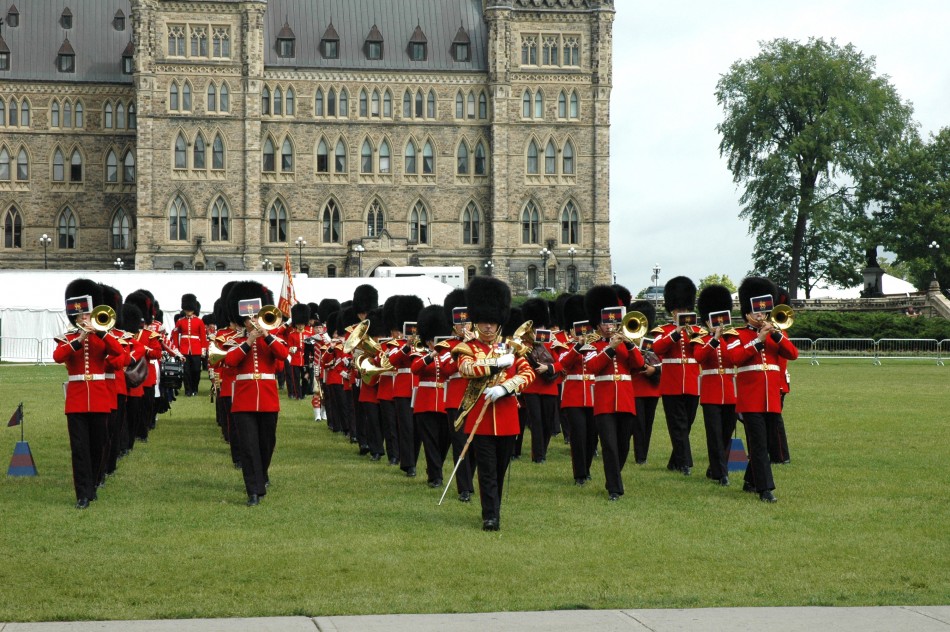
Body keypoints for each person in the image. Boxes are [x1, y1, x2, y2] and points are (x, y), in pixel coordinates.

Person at [453, 277, 535, 531]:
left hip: (508, 417)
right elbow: (466, 369)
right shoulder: (467, 347)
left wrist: (506, 387)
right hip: (481, 418)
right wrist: (496, 364)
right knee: (487, 469)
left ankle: (494, 507)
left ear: (499, 323)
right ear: (476, 323)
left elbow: (528, 374)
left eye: (492, 322)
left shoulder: (510, 348)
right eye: (483, 323)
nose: (488, 327)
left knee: (500, 469)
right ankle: (491, 515)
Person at [54, 279, 129, 509]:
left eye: (88, 315)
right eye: (81, 316)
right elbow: (58, 356)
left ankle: (94, 483)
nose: (85, 319)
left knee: (98, 446)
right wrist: (79, 339)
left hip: (99, 399)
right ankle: (82, 494)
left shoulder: (101, 337)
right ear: (75, 318)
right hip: (76, 401)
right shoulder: (68, 338)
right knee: (79, 449)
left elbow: (118, 352)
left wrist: (102, 333)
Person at [727, 277, 799, 503]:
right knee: (757, 444)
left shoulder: (776, 333)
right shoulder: (736, 335)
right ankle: (765, 489)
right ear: (747, 312)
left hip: (771, 398)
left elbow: (793, 354)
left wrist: (775, 334)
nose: (761, 316)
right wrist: (758, 339)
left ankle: (750, 481)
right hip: (750, 400)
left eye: (763, 313)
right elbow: (735, 358)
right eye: (756, 313)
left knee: (766, 444)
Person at [222, 281, 288, 506]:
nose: (252, 321)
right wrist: (249, 340)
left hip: (268, 399)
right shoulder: (236, 341)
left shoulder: (273, 339)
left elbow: (282, 354)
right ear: (244, 319)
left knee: (266, 443)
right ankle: (254, 490)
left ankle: (262, 474)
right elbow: (230, 362)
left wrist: (266, 335)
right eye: (249, 318)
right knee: (248, 447)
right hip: (244, 400)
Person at [575, 285, 644, 501]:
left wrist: (630, 345)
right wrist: (611, 348)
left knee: (623, 445)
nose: (610, 326)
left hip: (625, 399)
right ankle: (615, 488)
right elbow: (593, 367)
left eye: (613, 322)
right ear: (598, 323)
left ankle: (612, 478)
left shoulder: (627, 343)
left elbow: (639, 364)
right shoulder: (591, 345)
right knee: (610, 446)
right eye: (606, 322)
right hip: (604, 401)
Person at [652, 276, 701, 476]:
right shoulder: (663, 330)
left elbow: (701, 354)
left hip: (692, 382)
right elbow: (658, 348)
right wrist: (676, 333)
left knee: (686, 423)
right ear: (672, 311)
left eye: (685, 309)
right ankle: (685, 464)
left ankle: (675, 461)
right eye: (679, 310)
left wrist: (691, 335)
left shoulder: (697, 330)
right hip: (671, 382)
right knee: (677, 424)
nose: (683, 313)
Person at [693, 284, 739, 487]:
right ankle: (721, 473)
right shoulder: (700, 339)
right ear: (706, 322)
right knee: (714, 435)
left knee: (726, 433)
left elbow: (736, 359)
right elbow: (699, 358)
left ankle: (714, 468)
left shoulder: (732, 339)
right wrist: (714, 340)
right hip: (711, 391)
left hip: (729, 390)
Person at [556, 295, 597, 486]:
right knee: (578, 436)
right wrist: (579, 345)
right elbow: (563, 363)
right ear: (571, 331)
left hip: (594, 395)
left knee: (591, 437)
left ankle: (587, 468)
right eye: (577, 329)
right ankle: (579, 473)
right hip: (573, 396)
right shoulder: (567, 347)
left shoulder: (596, 347)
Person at [411, 304, 454, 488]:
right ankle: (436, 476)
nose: (431, 342)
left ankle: (435, 468)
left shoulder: (450, 354)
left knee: (444, 441)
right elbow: (415, 369)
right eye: (429, 340)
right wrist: (432, 354)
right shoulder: (421, 353)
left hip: (444, 401)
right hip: (425, 402)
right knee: (430, 441)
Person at [441, 289, 476, 502]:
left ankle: (469, 479)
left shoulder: (480, 344)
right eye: (460, 325)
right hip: (456, 399)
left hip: (477, 398)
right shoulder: (448, 346)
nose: (464, 327)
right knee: (460, 443)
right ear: (454, 326)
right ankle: (464, 487)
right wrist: (463, 349)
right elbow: (445, 369)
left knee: (475, 445)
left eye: (467, 324)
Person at [629, 299, 661, 465]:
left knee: (647, 424)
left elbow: (662, 362)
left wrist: (654, 370)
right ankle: (639, 456)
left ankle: (643, 454)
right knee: (638, 424)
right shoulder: (629, 341)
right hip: (635, 387)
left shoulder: (653, 341)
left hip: (652, 388)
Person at [173, 293, 207, 397]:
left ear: (193, 309)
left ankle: (195, 389)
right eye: (187, 309)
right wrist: (176, 350)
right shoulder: (180, 321)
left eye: (190, 309)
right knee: (186, 371)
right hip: (184, 349)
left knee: (196, 370)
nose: (188, 312)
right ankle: (188, 390)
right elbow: (175, 334)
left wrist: (203, 350)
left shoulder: (199, 321)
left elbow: (203, 337)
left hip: (196, 349)